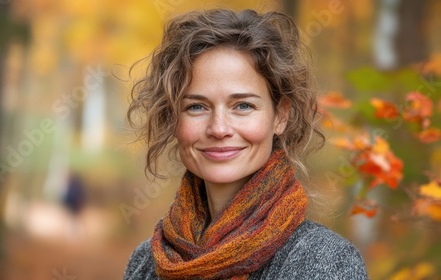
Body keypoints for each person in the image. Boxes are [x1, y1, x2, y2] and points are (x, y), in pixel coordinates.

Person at [124, 9, 369, 280]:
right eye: (196, 107)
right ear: (173, 118)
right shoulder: (146, 262)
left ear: (280, 116)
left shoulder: (327, 261)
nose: (218, 128)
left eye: (243, 105)